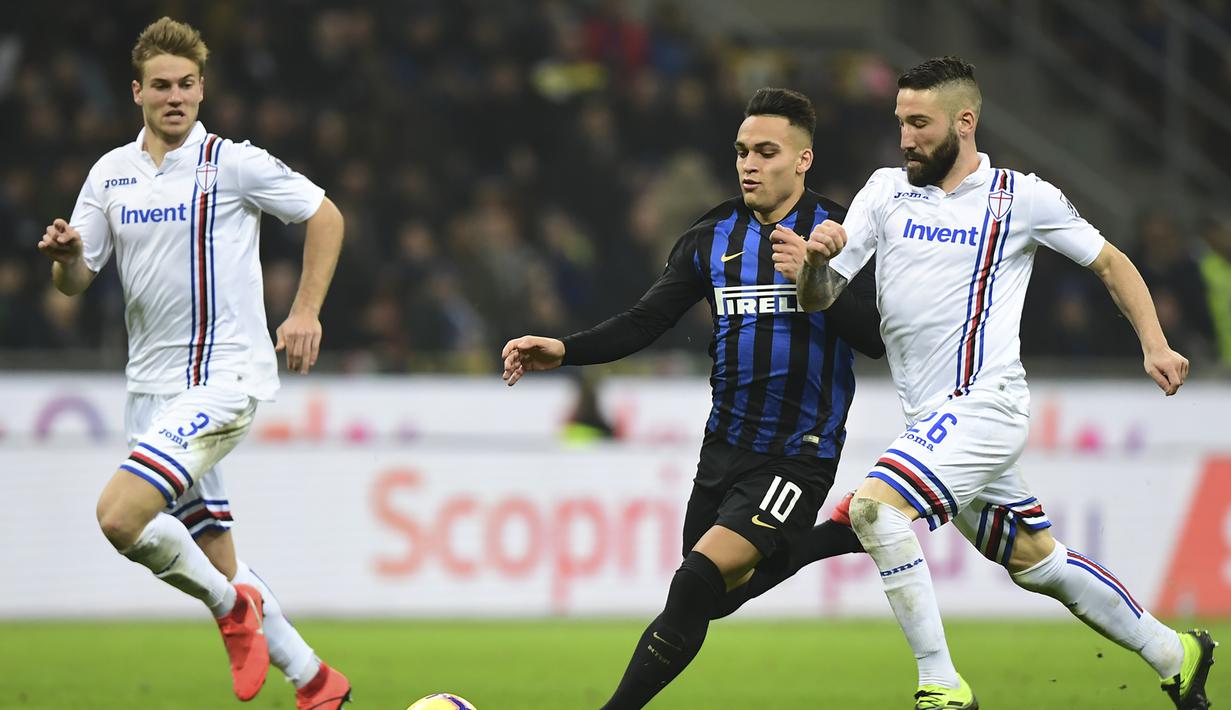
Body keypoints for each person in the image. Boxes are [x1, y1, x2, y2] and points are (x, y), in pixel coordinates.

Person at [793, 56, 1217, 710]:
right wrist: (815, 265)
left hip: (984, 409)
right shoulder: (883, 191)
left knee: (878, 510)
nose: (904, 137)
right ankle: (1175, 653)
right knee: (1034, 560)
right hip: (930, 425)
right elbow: (820, 299)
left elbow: (1110, 261)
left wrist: (1154, 343)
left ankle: (940, 683)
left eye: (919, 123)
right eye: (899, 122)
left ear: (964, 122)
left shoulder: (1021, 197)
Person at [502, 87, 883, 710]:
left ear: (803, 159)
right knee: (714, 596)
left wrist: (817, 280)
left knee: (693, 584)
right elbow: (643, 321)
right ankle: (830, 537)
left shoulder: (841, 234)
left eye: (766, 151)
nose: (749, 164)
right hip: (724, 447)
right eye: (741, 152)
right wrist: (564, 350)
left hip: (797, 451)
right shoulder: (711, 239)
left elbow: (874, 340)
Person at [37, 18, 351, 710]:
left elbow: (325, 216)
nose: (174, 96)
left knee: (119, 517)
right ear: (136, 93)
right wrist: (66, 261)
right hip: (148, 395)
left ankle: (227, 611)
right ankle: (316, 682)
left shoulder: (232, 163)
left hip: (222, 383)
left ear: (202, 90)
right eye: (160, 86)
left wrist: (304, 311)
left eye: (185, 85)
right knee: (217, 557)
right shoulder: (110, 175)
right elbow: (77, 281)